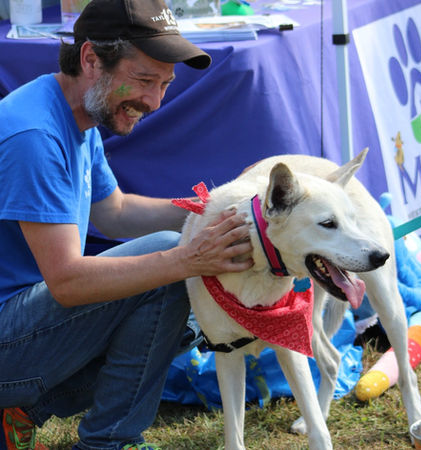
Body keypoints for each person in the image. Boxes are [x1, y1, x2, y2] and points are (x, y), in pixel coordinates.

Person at [0, 0, 254, 449]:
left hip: (23, 329)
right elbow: (67, 283)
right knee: (172, 269)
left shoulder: (72, 110)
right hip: (10, 336)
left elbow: (113, 212)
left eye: (165, 85)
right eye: (143, 80)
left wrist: (222, 209)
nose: (154, 102)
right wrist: (187, 257)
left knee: (181, 281)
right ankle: (109, 442)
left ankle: (21, 412)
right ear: (91, 60)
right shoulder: (34, 136)